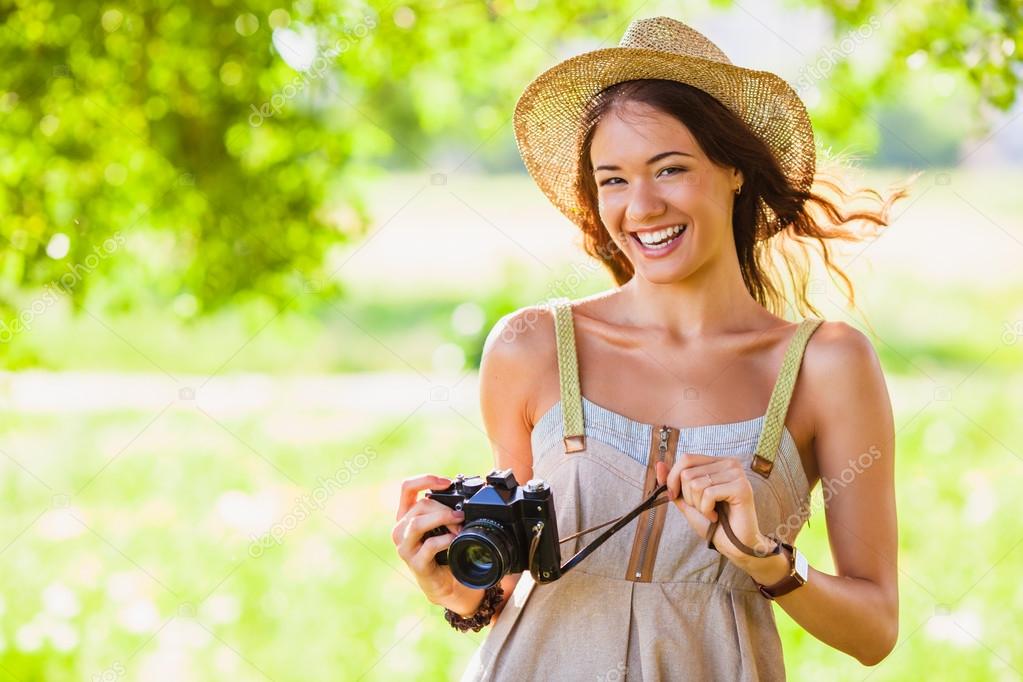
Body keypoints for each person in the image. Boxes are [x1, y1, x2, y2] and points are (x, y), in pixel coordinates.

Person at [392, 16, 903, 681]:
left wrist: (766, 561)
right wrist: (453, 588)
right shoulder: (531, 347)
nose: (641, 207)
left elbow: (875, 629)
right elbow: (518, 583)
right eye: (612, 180)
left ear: (733, 170)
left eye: (669, 169)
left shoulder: (825, 365)